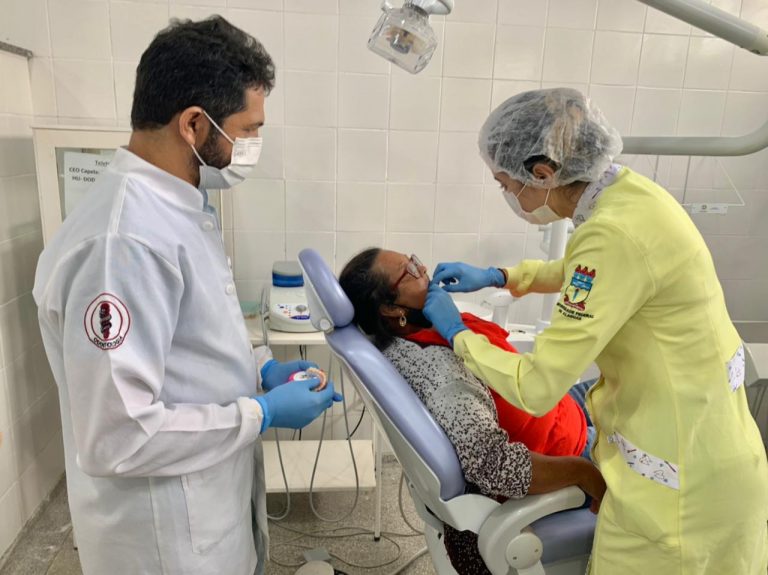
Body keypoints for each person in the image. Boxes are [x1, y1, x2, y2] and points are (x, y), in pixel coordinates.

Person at [33, 17, 340, 575]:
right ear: (194, 125)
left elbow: (194, 335)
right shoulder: (123, 243)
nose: (252, 145)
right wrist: (262, 413)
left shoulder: (178, 205)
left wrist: (261, 368)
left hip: (207, 503)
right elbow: (118, 436)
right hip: (163, 536)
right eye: (247, 130)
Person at [422, 88, 768, 574]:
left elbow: (536, 386)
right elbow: (587, 270)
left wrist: (459, 333)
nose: (509, 196)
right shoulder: (630, 195)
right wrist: (502, 276)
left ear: (543, 174)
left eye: (506, 184)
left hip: (676, 496)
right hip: (707, 444)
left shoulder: (612, 233)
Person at [339, 247, 605, 575]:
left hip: (553, 409)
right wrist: (583, 472)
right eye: (410, 271)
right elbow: (493, 464)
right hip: (565, 447)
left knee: (620, 388)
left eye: (415, 260)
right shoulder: (440, 370)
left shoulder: (414, 334)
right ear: (391, 308)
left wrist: (497, 276)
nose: (424, 270)